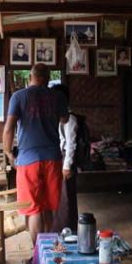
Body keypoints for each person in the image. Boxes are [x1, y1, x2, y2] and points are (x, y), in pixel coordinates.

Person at [3, 64, 69, 264]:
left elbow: (9, 128)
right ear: (48, 78)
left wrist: (9, 154)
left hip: (28, 159)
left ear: (31, 76)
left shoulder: (18, 96)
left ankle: (38, 257)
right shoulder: (57, 97)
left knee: (33, 210)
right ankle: (49, 256)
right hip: (52, 157)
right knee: (48, 207)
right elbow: (65, 119)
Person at [50, 84, 78, 233]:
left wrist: (67, 165)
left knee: (66, 197)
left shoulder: (70, 119)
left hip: (66, 160)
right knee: (61, 196)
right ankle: (62, 227)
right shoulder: (59, 117)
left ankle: (68, 228)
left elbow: (71, 144)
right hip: (60, 159)